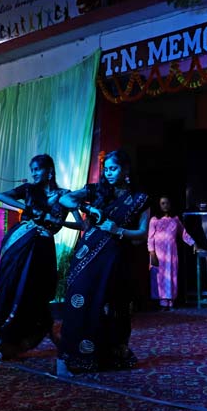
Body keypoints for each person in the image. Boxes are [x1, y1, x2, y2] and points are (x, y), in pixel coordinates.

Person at [0, 154, 81, 359]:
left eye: (37, 169)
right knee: (14, 288)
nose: (34, 174)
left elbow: (81, 224)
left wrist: (59, 222)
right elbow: (1, 196)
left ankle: (24, 340)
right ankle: (3, 342)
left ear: (49, 171)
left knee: (36, 293)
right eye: (32, 170)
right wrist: (26, 207)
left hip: (43, 248)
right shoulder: (29, 189)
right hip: (22, 245)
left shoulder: (64, 195)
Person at [56, 150, 150, 375]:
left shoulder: (140, 199)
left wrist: (118, 230)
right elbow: (65, 199)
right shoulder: (97, 190)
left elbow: (142, 233)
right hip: (87, 255)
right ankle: (68, 357)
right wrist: (89, 208)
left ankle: (105, 356)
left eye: (113, 168)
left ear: (125, 170)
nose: (108, 173)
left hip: (115, 260)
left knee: (111, 307)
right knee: (79, 301)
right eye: (106, 169)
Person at [148, 195, 197, 310]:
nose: (165, 205)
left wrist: (193, 243)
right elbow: (150, 237)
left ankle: (171, 302)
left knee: (171, 275)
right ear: (159, 205)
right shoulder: (154, 219)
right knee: (160, 277)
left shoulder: (175, 219)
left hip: (171, 253)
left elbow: (183, 233)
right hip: (158, 253)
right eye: (162, 203)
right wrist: (152, 253)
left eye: (167, 203)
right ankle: (162, 303)